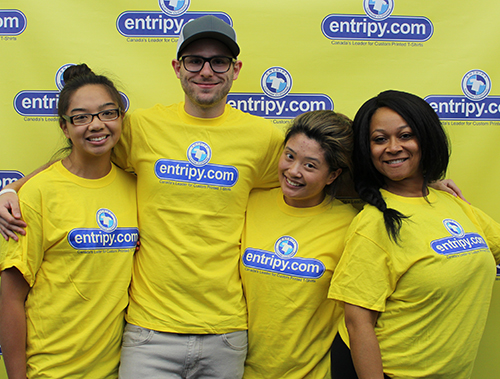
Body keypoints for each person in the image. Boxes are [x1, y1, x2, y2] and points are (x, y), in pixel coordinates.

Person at [328, 90, 500, 379]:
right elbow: (358, 323)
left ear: (426, 138)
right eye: (379, 139)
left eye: (405, 135)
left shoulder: (452, 203)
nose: (393, 147)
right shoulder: (374, 223)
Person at [0, 64, 139, 379]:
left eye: (107, 113)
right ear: (64, 128)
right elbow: (10, 299)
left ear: (121, 119)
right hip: (50, 370)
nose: (96, 125)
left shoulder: (134, 188)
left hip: (118, 370)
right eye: (81, 117)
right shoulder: (37, 194)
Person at [241, 110, 358, 378]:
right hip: (237, 369)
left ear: (332, 175)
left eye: (310, 165)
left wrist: (428, 185)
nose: (293, 171)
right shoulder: (250, 202)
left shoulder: (351, 224)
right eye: (290, 156)